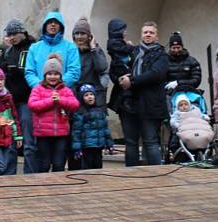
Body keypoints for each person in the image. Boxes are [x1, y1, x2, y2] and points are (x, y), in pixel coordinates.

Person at [114, 21, 169, 167]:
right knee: (130, 142)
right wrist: (120, 77)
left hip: (150, 104)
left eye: (151, 32)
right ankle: (132, 175)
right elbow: (117, 65)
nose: (148, 34)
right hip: (129, 104)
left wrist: (131, 81)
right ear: (141, 34)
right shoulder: (133, 51)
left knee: (150, 141)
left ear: (157, 36)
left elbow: (156, 74)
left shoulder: (162, 54)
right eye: (145, 32)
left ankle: (157, 175)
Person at [29, 53, 79, 172]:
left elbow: (75, 104)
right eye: (49, 74)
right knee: (44, 164)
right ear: (45, 75)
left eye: (56, 74)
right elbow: (33, 105)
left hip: (61, 134)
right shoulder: (38, 89)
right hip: (43, 134)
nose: (53, 77)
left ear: (60, 75)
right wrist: (50, 101)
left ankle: (59, 187)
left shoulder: (65, 90)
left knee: (59, 164)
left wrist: (60, 100)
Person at [1, 18, 37, 173]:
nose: (12, 37)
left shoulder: (31, 48)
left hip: (26, 100)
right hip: (11, 101)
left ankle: (30, 173)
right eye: (10, 34)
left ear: (22, 32)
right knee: (10, 139)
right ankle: (9, 173)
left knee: (28, 141)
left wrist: (15, 70)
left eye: (14, 33)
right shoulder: (9, 50)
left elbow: (26, 70)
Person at [24, 11, 81, 89]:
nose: (53, 24)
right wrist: (41, 87)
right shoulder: (34, 48)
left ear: (61, 26)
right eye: (50, 22)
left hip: (63, 94)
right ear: (45, 26)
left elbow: (74, 71)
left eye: (56, 23)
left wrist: (59, 86)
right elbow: (29, 72)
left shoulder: (70, 48)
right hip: (40, 95)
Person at [70, 84, 113, 170]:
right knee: (87, 169)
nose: (90, 97)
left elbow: (105, 129)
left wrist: (109, 143)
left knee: (98, 167)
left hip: (99, 146)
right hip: (86, 147)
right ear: (81, 98)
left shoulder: (100, 111)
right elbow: (76, 132)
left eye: (91, 94)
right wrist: (77, 148)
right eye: (86, 95)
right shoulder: (79, 113)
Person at [71, 17, 109, 108]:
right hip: (77, 97)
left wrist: (93, 49)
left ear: (89, 36)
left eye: (83, 33)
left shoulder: (96, 50)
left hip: (95, 98)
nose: (79, 37)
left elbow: (102, 68)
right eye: (77, 33)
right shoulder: (71, 52)